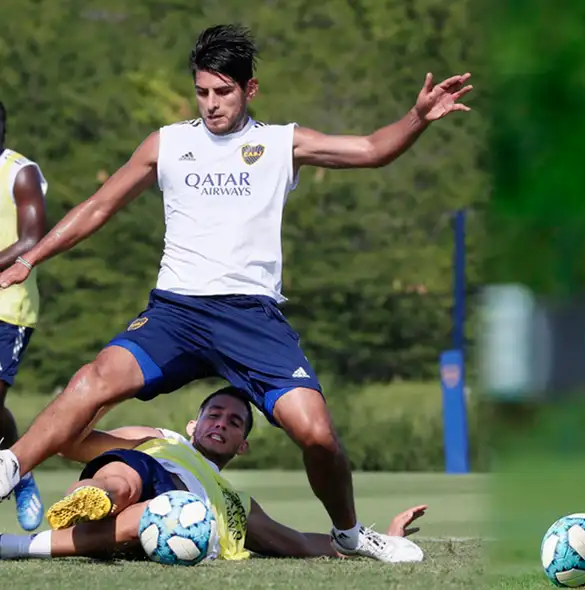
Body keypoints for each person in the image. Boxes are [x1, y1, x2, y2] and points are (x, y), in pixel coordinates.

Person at [0, 23, 472, 563]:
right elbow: (97, 207)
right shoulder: (168, 143)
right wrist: (31, 256)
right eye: (202, 91)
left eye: (223, 92)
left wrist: (417, 118)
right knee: (92, 380)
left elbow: (369, 149)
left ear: (250, 90)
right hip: (176, 311)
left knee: (316, 434)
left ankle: (349, 534)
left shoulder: (278, 143)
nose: (210, 104)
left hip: (251, 317)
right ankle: (11, 466)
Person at [0, 386, 429, 561]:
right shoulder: (160, 436)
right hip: (141, 472)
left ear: (242, 446)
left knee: (157, 511)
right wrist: (104, 393)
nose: (221, 423)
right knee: (127, 472)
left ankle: (18, 545)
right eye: (214, 415)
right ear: (194, 425)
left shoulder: (239, 507)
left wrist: (379, 541)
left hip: (173, 516)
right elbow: (71, 442)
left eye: (235, 422)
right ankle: (96, 498)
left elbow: (299, 542)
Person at [0, 101, 48, 532]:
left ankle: (19, 469)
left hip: (8, 305)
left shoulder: (20, 171)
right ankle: (21, 465)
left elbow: (33, 237)